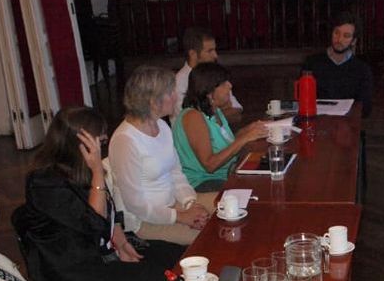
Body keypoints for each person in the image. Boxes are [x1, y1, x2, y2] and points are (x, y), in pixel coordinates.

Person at [21, 106, 182, 281]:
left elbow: (109, 214)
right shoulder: (45, 182)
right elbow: (94, 223)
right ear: (82, 144)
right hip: (76, 269)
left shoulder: (79, 169)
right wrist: (98, 170)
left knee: (178, 256)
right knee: (159, 280)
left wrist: (121, 243)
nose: (104, 140)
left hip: (103, 251)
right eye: (100, 139)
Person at [109, 65, 213, 245]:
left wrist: (190, 203)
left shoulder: (162, 126)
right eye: (170, 92)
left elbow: (176, 173)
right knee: (215, 234)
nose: (176, 96)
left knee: (232, 204)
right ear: (152, 101)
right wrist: (181, 216)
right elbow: (136, 205)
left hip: (176, 205)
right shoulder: (125, 141)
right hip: (148, 222)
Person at [173, 62, 268, 191]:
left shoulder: (215, 111)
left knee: (267, 176)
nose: (230, 86)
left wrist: (249, 130)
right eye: (224, 83)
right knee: (257, 189)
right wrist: (243, 139)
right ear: (209, 91)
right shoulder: (193, 117)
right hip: (204, 183)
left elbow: (226, 144)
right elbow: (210, 164)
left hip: (225, 175)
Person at [302, 11, 374, 117]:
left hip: (348, 124)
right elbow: (302, 99)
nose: (339, 39)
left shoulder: (362, 69)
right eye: (336, 33)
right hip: (318, 121)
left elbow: (365, 109)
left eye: (346, 36)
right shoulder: (311, 63)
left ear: (353, 41)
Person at [173, 27, 243, 124]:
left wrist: (210, 113)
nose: (215, 55)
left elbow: (237, 112)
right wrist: (221, 109)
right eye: (210, 51)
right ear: (193, 54)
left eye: (214, 50)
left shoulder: (216, 75)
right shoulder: (179, 82)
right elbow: (192, 122)